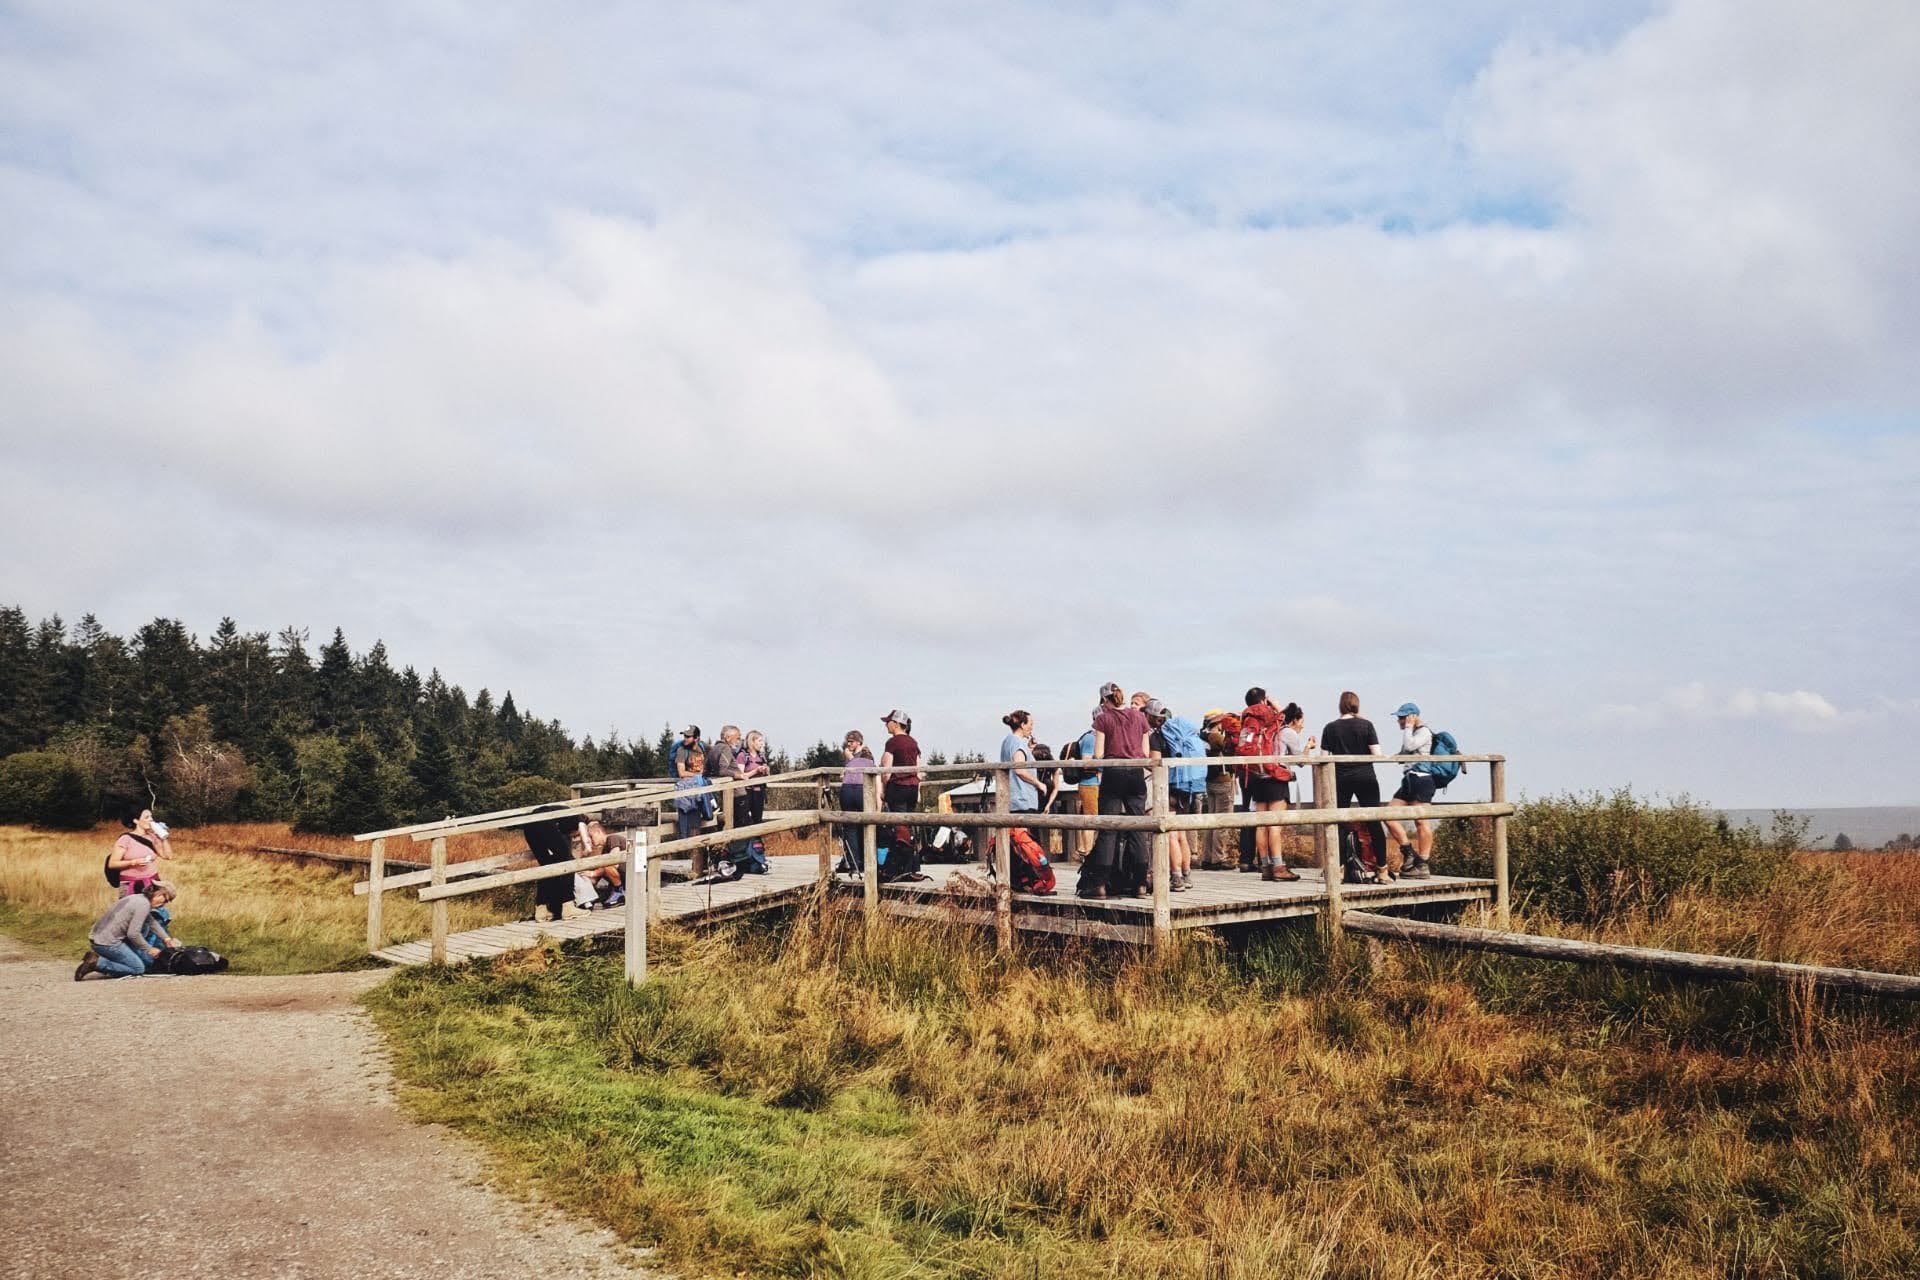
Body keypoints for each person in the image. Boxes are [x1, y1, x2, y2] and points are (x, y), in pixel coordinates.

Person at [1077, 682, 1151, 899]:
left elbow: (1099, 753)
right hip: (1136, 775)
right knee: (1138, 827)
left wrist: (1094, 758)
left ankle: (1100, 884)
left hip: (1113, 774)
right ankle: (1140, 884)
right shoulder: (1139, 717)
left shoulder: (1103, 718)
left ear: (1104, 701)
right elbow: (1145, 751)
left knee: (1108, 828)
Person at [1321, 691, 1388, 883]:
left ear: (1340, 706)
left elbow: (1324, 757)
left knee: (1339, 822)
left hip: (1341, 777)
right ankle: (1382, 869)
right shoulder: (1366, 725)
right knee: (1375, 821)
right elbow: (1377, 754)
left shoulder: (1330, 728)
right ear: (1357, 705)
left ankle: (1339, 870)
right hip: (1365, 776)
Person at [1237, 689, 1300, 882]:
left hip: (1256, 776)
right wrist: (1275, 704)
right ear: (1264, 701)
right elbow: (1287, 716)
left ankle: (1265, 866)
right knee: (1274, 825)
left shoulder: (1248, 719)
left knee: (1261, 825)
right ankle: (1279, 867)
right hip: (1275, 776)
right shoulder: (1273, 718)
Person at [1144, 700, 1205, 891]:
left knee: (1170, 834)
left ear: (1152, 717)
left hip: (1169, 786)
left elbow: (1154, 764)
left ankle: (1176, 877)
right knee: (1181, 835)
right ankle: (1186, 875)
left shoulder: (1157, 737)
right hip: (1187, 786)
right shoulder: (1181, 732)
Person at [77, 880, 175, 979]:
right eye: (165, 900)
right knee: (138, 968)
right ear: (158, 894)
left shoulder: (139, 898)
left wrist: (166, 938)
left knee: (147, 961)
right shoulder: (143, 905)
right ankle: (97, 963)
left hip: (99, 938)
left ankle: (108, 961)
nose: (164, 904)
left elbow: (151, 921)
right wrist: (149, 949)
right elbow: (133, 934)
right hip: (107, 943)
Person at [1384, 702, 1438, 879]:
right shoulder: (1413, 733)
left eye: (1401, 717)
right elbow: (1403, 754)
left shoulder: (1423, 731)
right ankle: (1409, 853)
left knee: (1421, 821)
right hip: (1408, 780)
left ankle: (1422, 864)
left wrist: (1408, 727)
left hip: (1421, 779)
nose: (1398, 721)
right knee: (1388, 815)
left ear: (1411, 717)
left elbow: (1409, 746)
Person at [1198, 709, 1240, 870]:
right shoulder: (1216, 737)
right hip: (1223, 781)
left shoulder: (1202, 737)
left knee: (1211, 821)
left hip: (1210, 782)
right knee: (1222, 821)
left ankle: (1207, 857)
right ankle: (1218, 858)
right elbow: (1231, 748)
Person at [837, 731, 876, 871]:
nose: (849, 744)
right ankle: (854, 861)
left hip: (860, 790)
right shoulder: (850, 756)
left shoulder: (865, 755)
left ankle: (862, 861)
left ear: (859, 742)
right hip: (850, 789)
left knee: (861, 826)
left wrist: (850, 759)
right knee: (850, 827)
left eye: (852, 741)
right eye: (848, 741)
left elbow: (868, 769)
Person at [109, 809, 172, 895]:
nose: (151, 819)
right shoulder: (125, 839)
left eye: (151, 817)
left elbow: (168, 856)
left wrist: (163, 837)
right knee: (132, 908)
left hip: (153, 881)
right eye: (147, 817)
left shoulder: (153, 837)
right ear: (136, 821)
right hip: (131, 883)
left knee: (154, 908)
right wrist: (133, 862)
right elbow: (112, 864)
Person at [998, 711, 1044, 816]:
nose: (1032, 728)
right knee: (1023, 832)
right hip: (1023, 800)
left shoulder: (1008, 741)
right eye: (1030, 724)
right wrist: (1039, 783)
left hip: (1012, 799)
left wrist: (1029, 749)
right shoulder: (1018, 743)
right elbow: (1019, 770)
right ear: (1023, 725)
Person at [1069, 719, 1101, 859]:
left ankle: (1085, 849)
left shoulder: (1095, 738)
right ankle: (1086, 852)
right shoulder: (1090, 738)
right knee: (1091, 819)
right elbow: (1086, 762)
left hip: (1093, 784)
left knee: (1091, 816)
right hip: (1090, 783)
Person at [878, 711, 920, 813]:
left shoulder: (892, 742)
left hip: (897, 787)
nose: (886, 724)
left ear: (896, 724)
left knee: (899, 823)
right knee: (909, 820)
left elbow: (886, 771)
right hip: (913, 788)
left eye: (888, 722)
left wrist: (884, 790)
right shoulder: (913, 742)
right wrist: (918, 791)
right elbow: (919, 770)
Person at [674, 750, 714, 840]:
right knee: (691, 826)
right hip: (691, 795)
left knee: (689, 827)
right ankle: (689, 847)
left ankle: (688, 846)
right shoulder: (683, 752)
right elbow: (682, 773)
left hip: (691, 796)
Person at [736, 729, 772, 828]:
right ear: (752, 742)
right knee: (743, 820)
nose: (762, 744)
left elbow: (767, 776)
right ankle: (744, 842)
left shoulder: (762, 756)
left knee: (758, 819)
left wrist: (766, 771)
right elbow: (740, 776)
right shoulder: (742, 756)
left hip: (760, 791)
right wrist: (756, 771)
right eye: (760, 741)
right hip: (746, 792)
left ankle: (756, 841)